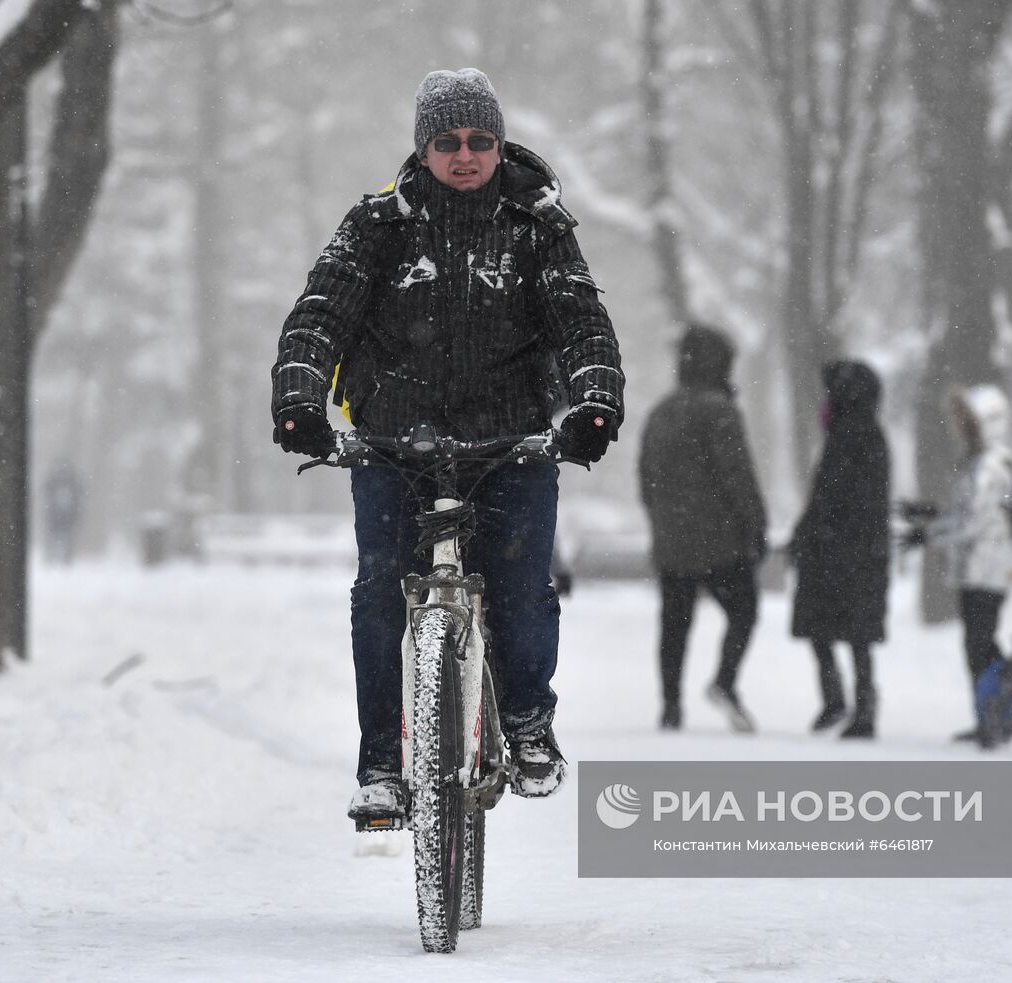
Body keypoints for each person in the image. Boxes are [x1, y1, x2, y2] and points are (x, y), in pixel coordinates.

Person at [270, 69, 623, 818]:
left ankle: (528, 722)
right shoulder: (375, 228)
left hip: (511, 443)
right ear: (422, 148)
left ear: (498, 145)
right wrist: (300, 397)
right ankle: (382, 763)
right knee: (378, 596)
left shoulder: (538, 228)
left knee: (524, 589)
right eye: (447, 141)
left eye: (480, 140)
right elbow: (319, 315)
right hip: (393, 442)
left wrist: (594, 400)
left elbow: (581, 321)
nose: (464, 155)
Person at [637, 323, 765, 733]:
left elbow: (646, 479)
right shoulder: (720, 410)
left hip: (672, 542)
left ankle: (670, 706)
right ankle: (725, 682)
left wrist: (662, 521)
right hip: (719, 543)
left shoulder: (660, 411)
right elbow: (738, 476)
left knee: (674, 624)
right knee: (744, 610)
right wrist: (755, 526)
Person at [788, 360, 890, 739]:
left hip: (835, 553)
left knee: (824, 628)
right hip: (861, 554)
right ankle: (859, 704)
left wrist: (809, 534)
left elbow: (826, 497)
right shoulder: (870, 434)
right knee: (857, 634)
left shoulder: (847, 436)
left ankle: (843, 702)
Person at [939, 384, 1012, 743]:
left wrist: (930, 532)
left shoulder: (991, 467)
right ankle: (992, 712)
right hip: (977, 568)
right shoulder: (978, 463)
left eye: (968, 422)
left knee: (980, 644)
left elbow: (971, 520)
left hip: (987, 569)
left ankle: (1011, 711)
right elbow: (963, 512)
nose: (960, 429)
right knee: (978, 644)